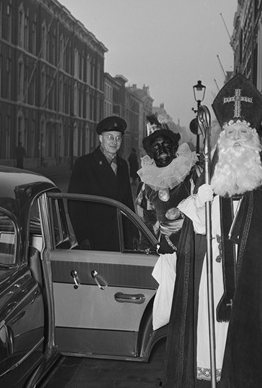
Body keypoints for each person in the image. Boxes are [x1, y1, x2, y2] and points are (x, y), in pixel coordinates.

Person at [163, 74, 262, 388]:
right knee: (211, 360)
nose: (239, 138)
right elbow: (188, 229)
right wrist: (193, 209)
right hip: (212, 286)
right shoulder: (209, 178)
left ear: (258, 140)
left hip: (258, 286)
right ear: (221, 140)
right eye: (232, 133)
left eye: (246, 132)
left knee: (252, 362)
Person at [136, 115, 200, 329]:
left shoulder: (192, 174)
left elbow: (206, 210)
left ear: (174, 148)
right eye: (156, 146)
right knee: (170, 308)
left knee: (193, 306)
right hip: (164, 254)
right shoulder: (147, 183)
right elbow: (146, 218)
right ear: (150, 154)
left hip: (192, 248)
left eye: (166, 145)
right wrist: (148, 246)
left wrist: (186, 224)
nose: (161, 149)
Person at [67, 116, 134, 251]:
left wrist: (132, 235)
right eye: (110, 137)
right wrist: (83, 237)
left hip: (120, 240)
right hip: (95, 239)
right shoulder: (84, 164)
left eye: (118, 138)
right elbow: (75, 205)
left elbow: (127, 203)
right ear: (100, 138)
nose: (114, 142)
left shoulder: (123, 165)